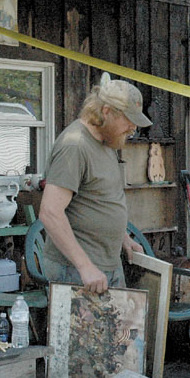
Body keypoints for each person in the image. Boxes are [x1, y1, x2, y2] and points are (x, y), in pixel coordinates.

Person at [39, 72, 152, 294]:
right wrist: (85, 267)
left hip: (106, 265)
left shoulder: (108, 141)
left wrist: (124, 238)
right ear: (106, 111)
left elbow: (101, 198)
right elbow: (50, 212)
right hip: (77, 271)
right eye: (128, 120)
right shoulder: (75, 146)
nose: (133, 128)